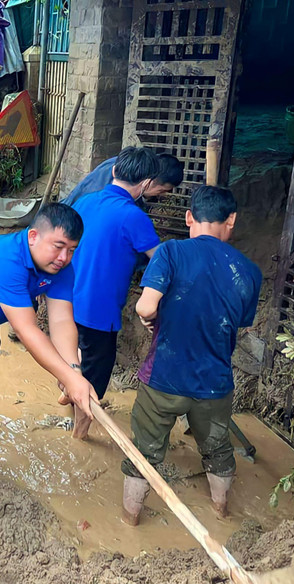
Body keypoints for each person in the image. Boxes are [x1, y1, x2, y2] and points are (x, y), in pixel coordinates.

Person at [121, 186, 261, 526]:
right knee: (217, 451)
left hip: (163, 379)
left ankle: (129, 521)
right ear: (231, 220)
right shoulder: (249, 271)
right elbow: (239, 326)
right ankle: (221, 512)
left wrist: (146, 315)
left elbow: (146, 305)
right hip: (214, 384)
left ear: (188, 218)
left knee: (144, 452)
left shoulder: (170, 252)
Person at [0, 204, 98, 456]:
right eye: (58, 246)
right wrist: (70, 379)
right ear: (33, 236)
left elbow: (61, 321)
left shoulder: (60, 268)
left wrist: (73, 370)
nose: (64, 257)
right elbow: (26, 330)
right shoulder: (6, 260)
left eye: (72, 250)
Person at [63, 147, 162, 439]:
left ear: (115, 171)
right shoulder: (134, 217)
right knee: (95, 376)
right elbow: (160, 262)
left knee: (76, 354)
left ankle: (66, 394)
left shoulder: (86, 201)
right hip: (99, 310)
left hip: (68, 301)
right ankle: (79, 435)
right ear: (145, 184)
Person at [63, 153, 183, 207]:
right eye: (162, 190)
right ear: (148, 182)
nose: (162, 195)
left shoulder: (127, 169)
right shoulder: (101, 198)